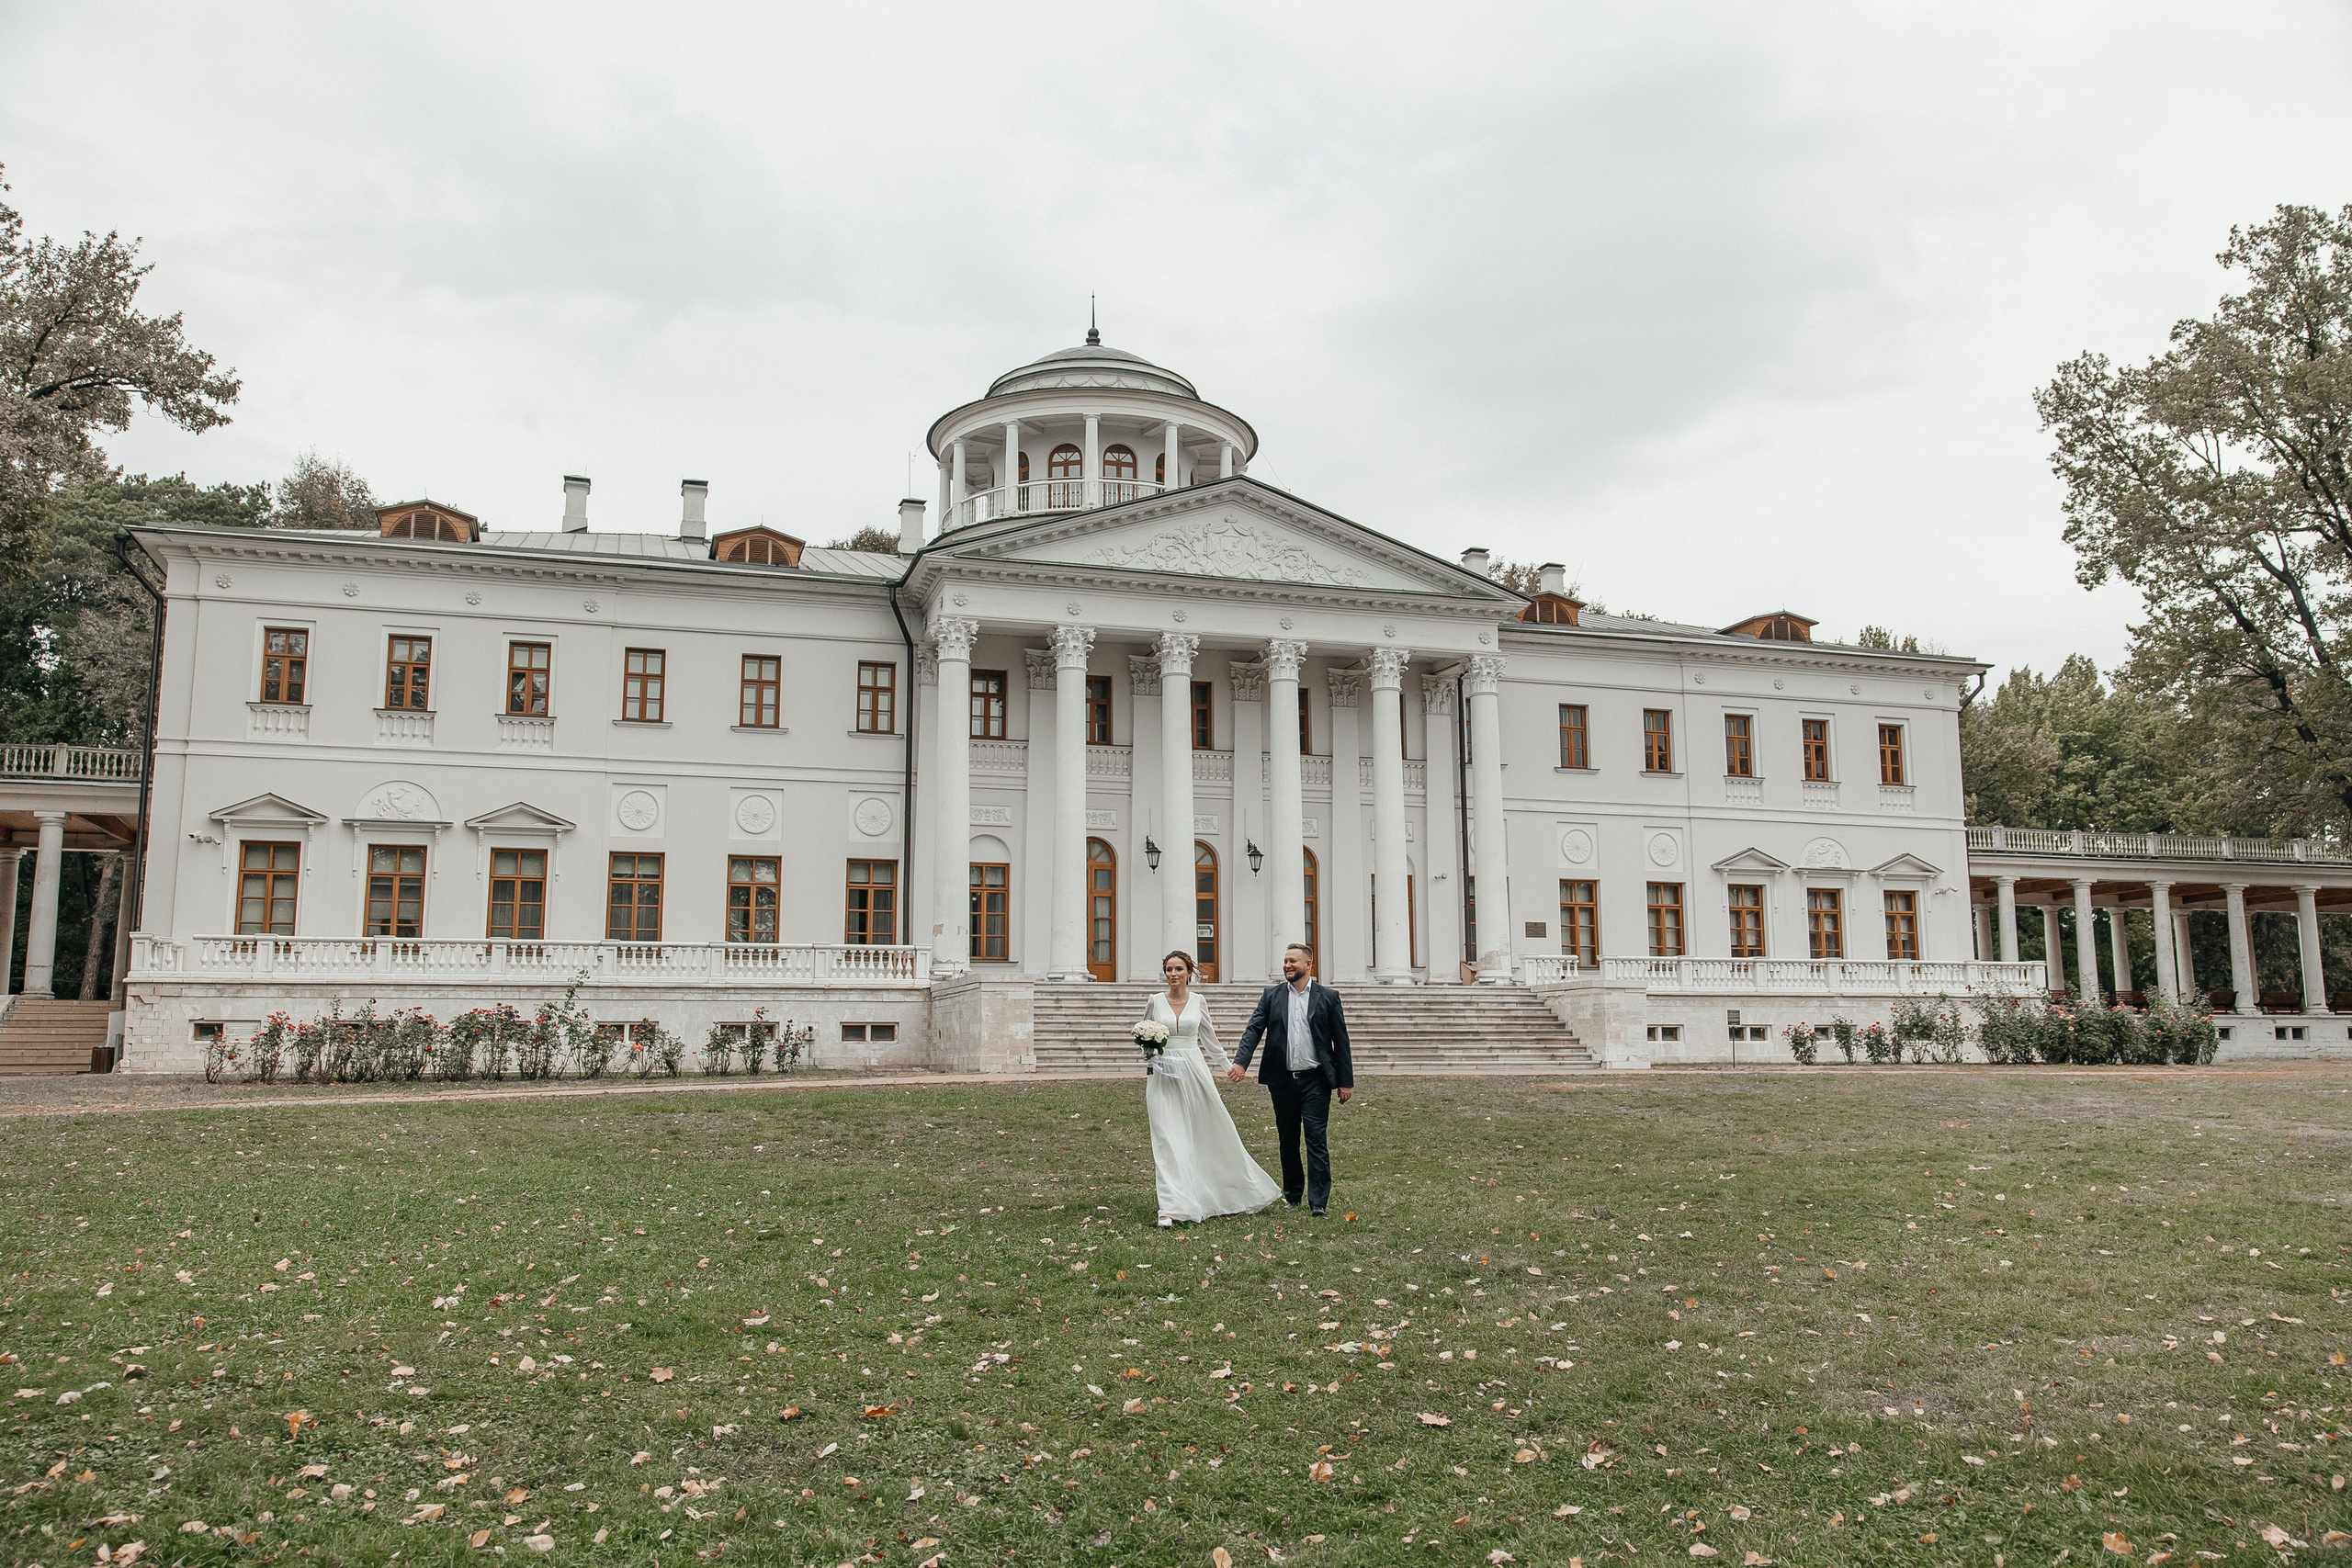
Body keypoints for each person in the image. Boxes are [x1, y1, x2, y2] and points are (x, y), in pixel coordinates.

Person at [1143, 949, 1283, 1227]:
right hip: (1163, 1076)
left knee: (1206, 1133)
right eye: (1169, 969)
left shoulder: (1198, 1001)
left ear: (1189, 973)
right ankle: (1170, 1206)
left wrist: (1228, 1065)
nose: (1173, 974)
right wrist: (1149, 1054)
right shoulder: (1155, 1001)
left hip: (1194, 1072)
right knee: (1167, 1139)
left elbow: (1209, 1038)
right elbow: (1147, 1034)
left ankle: (1221, 1191)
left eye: (1179, 969)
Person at [1228, 942, 1352, 1215]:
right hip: (1282, 1080)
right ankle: (1293, 1195)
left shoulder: (1328, 997)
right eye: (1285, 961)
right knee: (1288, 1139)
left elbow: (1341, 1041)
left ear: (1308, 965)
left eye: (1293, 961)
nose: (1287, 965)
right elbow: (1254, 1030)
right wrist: (1241, 1061)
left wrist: (1346, 1081)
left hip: (1316, 1080)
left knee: (1315, 1138)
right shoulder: (1271, 996)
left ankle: (1318, 1202)